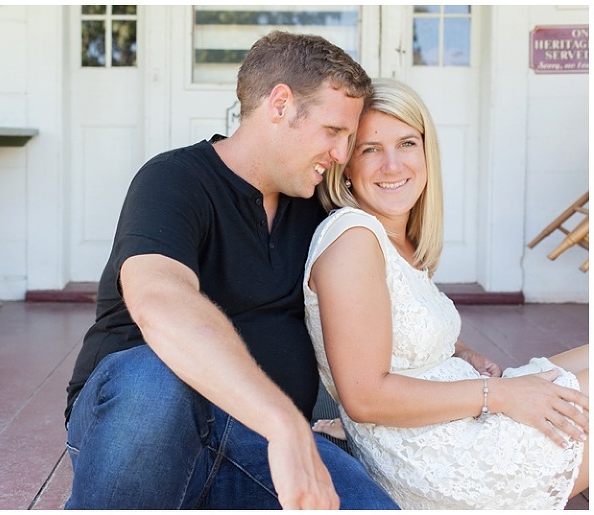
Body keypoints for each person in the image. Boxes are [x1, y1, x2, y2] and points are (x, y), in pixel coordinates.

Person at [63, 31, 399, 510]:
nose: (342, 154)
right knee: (157, 376)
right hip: (145, 432)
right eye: (333, 131)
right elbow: (160, 300)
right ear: (280, 105)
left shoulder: (319, 207)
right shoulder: (174, 179)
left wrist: (460, 351)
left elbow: (380, 300)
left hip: (257, 447)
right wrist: (284, 423)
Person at [305, 77, 589, 510]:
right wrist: (501, 394)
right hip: (433, 456)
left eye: (406, 143)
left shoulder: (394, 239)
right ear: (346, 164)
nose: (392, 166)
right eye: (370, 149)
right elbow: (364, 397)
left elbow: (392, 327)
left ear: (426, 151)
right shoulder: (353, 238)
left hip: (459, 413)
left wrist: (466, 353)